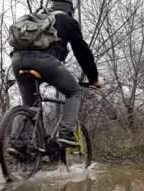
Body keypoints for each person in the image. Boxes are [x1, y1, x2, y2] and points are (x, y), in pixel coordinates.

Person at [10, 0, 104, 151]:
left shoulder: (39, 18)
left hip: (17, 61)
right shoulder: (67, 20)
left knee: (30, 105)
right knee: (74, 91)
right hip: (44, 62)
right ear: (70, 9)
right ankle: (66, 133)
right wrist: (94, 79)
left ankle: (19, 144)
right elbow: (82, 52)